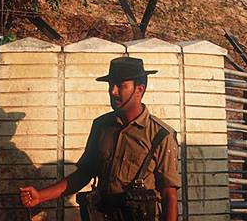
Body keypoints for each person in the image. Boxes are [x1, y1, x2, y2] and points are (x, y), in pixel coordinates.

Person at [19, 56, 180, 221]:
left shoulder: (161, 136)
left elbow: (170, 196)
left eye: (121, 85)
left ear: (139, 89)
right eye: (111, 85)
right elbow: (83, 174)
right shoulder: (101, 126)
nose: (113, 91)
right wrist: (40, 196)